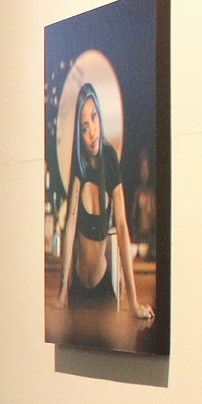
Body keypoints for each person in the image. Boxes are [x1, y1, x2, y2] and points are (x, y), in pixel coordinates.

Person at [55, 84, 153, 319]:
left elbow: (121, 226)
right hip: (77, 289)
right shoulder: (79, 167)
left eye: (94, 117)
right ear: (79, 134)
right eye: (84, 127)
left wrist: (134, 303)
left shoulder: (109, 160)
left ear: (99, 114)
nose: (92, 132)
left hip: (103, 289)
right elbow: (69, 227)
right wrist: (61, 294)